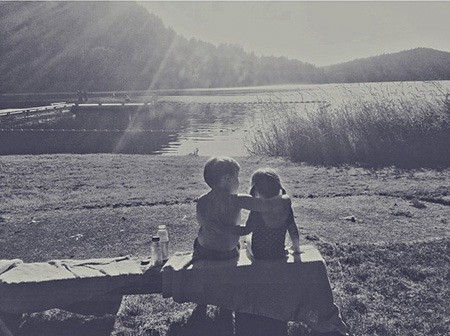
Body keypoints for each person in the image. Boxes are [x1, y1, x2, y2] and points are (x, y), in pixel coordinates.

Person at [190, 157, 292, 331]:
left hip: (204, 250)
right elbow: (266, 206)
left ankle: (201, 304)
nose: (239, 181)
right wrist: (285, 198)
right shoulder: (238, 199)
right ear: (227, 179)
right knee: (236, 253)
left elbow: (203, 223)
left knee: (200, 249)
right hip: (227, 253)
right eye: (237, 177)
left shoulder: (202, 200)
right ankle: (225, 307)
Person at [235, 168, 300, 336]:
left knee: (246, 240)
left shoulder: (258, 209)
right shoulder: (286, 205)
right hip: (278, 252)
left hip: (259, 253)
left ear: (255, 189)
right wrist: (296, 248)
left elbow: (247, 230)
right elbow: (293, 230)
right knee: (279, 238)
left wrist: (230, 230)